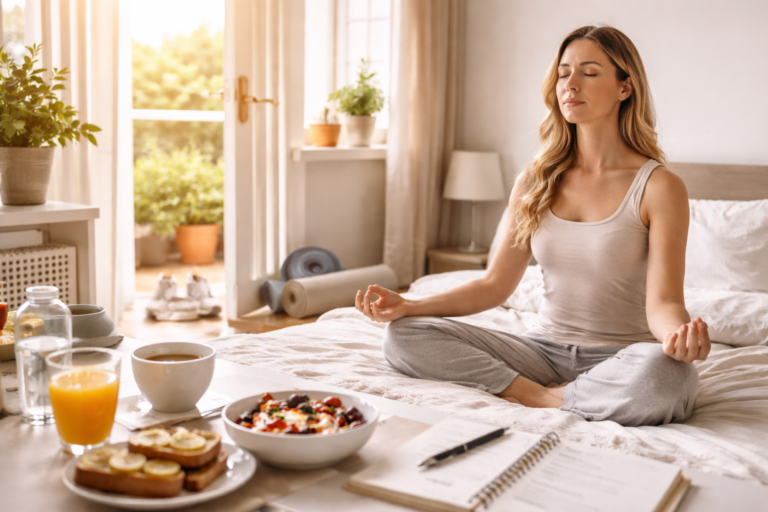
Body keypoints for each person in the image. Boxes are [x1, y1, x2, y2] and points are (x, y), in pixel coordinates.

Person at [354, 25, 709, 427]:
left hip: (622, 357)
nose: (570, 84)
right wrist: (410, 306)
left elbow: (662, 304)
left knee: (667, 378)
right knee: (404, 335)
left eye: (589, 73)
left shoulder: (659, 187)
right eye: (563, 73)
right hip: (541, 353)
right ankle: (536, 395)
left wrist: (678, 336)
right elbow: (494, 285)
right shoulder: (535, 180)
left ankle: (562, 395)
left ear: (624, 88)